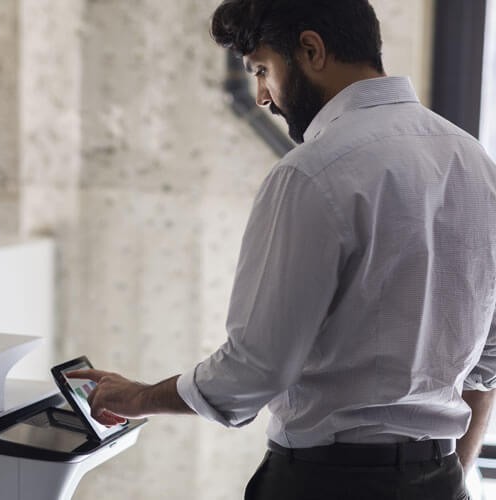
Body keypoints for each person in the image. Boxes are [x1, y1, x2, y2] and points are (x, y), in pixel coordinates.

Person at [67, 0, 496, 498]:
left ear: (311, 50)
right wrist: (452, 475)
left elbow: (251, 372)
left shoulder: (312, 171)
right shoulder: (476, 164)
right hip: (440, 479)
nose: (262, 96)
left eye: (263, 70)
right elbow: (488, 361)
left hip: (326, 483)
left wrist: (137, 396)